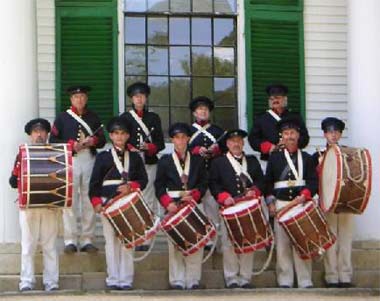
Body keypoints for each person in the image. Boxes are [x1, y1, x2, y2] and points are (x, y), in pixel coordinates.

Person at [89, 117, 148, 290]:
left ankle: (126, 280)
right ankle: (113, 279)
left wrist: (131, 186)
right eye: (116, 134)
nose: (119, 137)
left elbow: (143, 180)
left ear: (128, 135)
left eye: (123, 134)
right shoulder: (103, 157)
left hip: (129, 203)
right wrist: (96, 202)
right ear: (111, 136)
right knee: (111, 242)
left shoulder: (135, 157)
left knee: (128, 240)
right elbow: (94, 183)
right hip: (108, 203)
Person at [50, 85, 106, 254]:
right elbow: (53, 140)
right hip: (71, 160)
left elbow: (103, 140)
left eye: (82, 96)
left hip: (89, 158)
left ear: (86, 99)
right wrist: (71, 145)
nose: (79, 99)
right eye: (76, 97)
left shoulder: (93, 117)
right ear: (71, 99)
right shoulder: (62, 118)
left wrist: (92, 141)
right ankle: (70, 239)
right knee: (70, 200)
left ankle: (87, 239)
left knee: (89, 199)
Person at [265, 117, 318, 288]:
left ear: (298, 135)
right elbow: (268, 183)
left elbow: (313, 181)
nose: (290, 136)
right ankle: (285, 280)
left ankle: (305, 280)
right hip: (281, 204)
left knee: (303, 243)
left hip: (301, 204)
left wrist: (305, 194)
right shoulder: (274, 158)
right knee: (282, 245)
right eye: (286, 133)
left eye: (293, 133)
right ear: (282, 136)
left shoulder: (308, 158)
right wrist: (271, 203)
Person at [209, 129, 264, 289]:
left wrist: (256, 190)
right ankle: (231, 277)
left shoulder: (252, 161)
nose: (236, 144)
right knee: (229, 243)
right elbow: (213, 183)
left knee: (249, 241)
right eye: (232, 141)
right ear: (227, 144)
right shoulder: (219, 162)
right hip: (230, 207)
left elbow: (261, 180)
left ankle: (246, 277)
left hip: (249, 207)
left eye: (239, 141)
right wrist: (223, 196)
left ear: (243, 143)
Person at [154, 123, 207, 290]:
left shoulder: (198, 160)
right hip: (174, 206)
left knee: (196, 242)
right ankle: (177, 280)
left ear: (188, 139)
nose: (181, 140)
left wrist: (196, 195)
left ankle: (193, 280)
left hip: (193, 204)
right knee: (175, 245)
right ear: (172, 140)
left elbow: (204, 182)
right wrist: (167, 203)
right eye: (177, 137)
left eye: (184, 137)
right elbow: (159, 185)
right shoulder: (165, 161)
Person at [9, 118, 60, 291]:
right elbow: (13, 181)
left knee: (50, 246)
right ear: (30, 135)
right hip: (29, 206)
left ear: (47, 134)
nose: (39, 134)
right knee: (27, 246)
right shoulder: (23, 154)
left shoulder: (56, 154)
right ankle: (26, 281)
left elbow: (63, 178)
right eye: (35, 132)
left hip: (49, 206)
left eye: (42, 131)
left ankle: (51, 282)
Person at [120, 82, 165, 251]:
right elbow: (120, 139)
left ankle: (146, 237)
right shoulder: (125, 118)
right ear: (132, 98)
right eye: (136, 96)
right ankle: (133, 233)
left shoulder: (153, 118)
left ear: (146, 98)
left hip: (149, 161)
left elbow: (160, 142)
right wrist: (131, 147)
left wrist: (151, 147)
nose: (139, 99)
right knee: (131, 199)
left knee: (148, 199)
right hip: (131, 164)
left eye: (142, 96)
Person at [313, 117, 354, 288]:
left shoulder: (349, 154)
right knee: (330, 240)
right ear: (324, 134)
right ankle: (331, 276)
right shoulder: (318, 155)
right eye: (330, 132)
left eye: (336, 132)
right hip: (327, 202)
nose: (333, 135)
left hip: (345, 202)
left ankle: (345, 275)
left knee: (345, 240)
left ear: (340, 134)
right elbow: (314, 180)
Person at [188, 96, 225, 249]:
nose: (203, 111)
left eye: (205, 109)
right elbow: (183, 148)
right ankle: (200, 239)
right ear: (194, 113)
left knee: (212, 206)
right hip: (195, 172)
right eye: (199, 109)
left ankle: (213, 240)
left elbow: (225, 149)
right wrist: (196, 150)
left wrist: (216, 150)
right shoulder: (188, 131)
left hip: (213, 172)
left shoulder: (217, 131)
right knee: (196, 207)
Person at [248, 84, 309, 163]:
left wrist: (290, 143)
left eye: (278, 98)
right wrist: (270, 147)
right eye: (272, 99)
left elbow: (305, 138)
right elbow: (253, 139)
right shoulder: (261, 118)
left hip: (293, 159)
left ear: (285, 99)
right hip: (269, 160)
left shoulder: (295, 117)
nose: (275, 101)